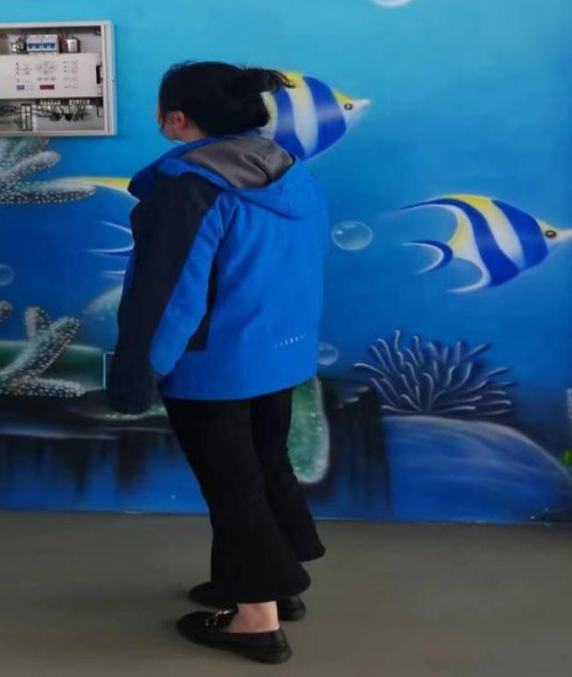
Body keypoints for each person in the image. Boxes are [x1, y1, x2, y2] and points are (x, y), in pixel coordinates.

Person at [107, 61, 329, 665]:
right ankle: (274, 585)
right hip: (280, 355)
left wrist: (137, 373)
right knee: (265, 467)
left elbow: (166, 295)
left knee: (233, 485)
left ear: (175, 118)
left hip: (215, 366)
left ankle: (256, 621)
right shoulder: (290, 171)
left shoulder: (188, 189)